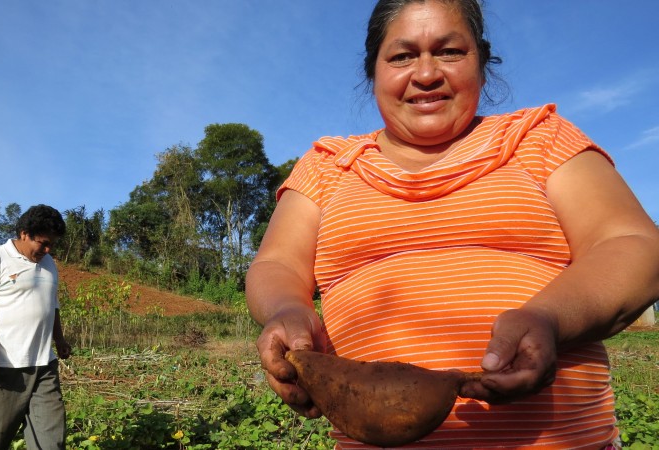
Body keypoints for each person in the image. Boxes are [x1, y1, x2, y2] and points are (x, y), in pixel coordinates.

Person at [246, 0, 659, 448]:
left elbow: (633, 244)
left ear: (480, 64)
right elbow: (277, 265)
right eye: (402, 56)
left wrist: (549, 319)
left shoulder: (540, 138)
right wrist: (286, 311)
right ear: (373, 72)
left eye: (449, 51)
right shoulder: (326, 166)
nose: (425, 74)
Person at [0, 204, 72, 450]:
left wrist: (59, 339)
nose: (48, 249)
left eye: (52, 244)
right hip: (2, 366)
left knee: (51, 440)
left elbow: (51, 306)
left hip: (44, 365)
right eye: (43, 243)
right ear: (24, 233)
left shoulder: (49, 264)